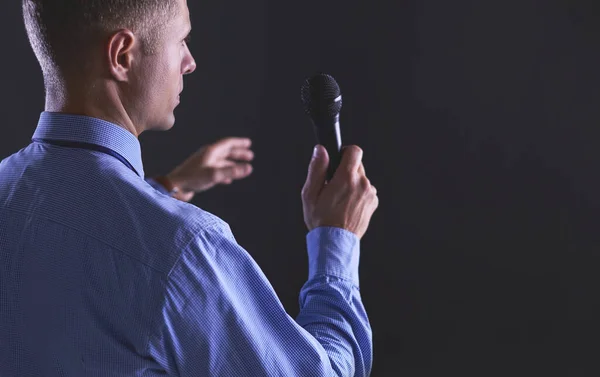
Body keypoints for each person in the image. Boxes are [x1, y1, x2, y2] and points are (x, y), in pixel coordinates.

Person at [0, 0, 379, 375]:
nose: (190, 61)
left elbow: (73, 242)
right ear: (122, 55)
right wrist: (336, 240)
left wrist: (168, 187)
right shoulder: (185, 250)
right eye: (181, 40)